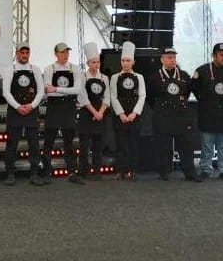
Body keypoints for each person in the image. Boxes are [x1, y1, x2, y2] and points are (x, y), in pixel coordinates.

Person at [147, 47, 201, 182]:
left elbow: (187, 93)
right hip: (163, 116)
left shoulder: (183, 75)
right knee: (162, 146)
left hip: (181, 115)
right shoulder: (155, 78)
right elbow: (150, 98)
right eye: (169, 57)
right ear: (162, 59)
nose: (172, 60)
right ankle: (163, 172)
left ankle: (189, 173)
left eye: (174, 57)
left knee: (186, 146)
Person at [191, 42, 223, 181]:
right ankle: (205, 169)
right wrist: (204, 99)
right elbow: (194, 88)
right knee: (207, 145)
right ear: (214, 55)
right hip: (208, 113)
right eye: (222, 55)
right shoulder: (202, 71)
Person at [2, 43, 45, 186]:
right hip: (15, 111)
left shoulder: (36, 69)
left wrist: (32, 106)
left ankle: (34, 173)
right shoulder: (10, 70)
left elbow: (40, 91)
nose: (24, 55)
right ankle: (10, 173)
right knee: (12, 144)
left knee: (34, 144)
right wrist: (17, 106)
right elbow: (6, 92)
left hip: (32, 111)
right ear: (17, 53)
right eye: (22, 52)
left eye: (27, 52)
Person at [42, 42, 84, 184]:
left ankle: (72, 172)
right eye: (62, 52)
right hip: (54, 107)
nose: (65, 55)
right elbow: (48, 92)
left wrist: (57, 89)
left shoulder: (75, 69)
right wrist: (64, 91)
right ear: (56, 54)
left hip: (69, 107)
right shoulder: (49, 69)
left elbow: (77, 90)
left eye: (67, 52)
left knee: (69, 142)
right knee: (48, 142)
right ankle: (47, 172)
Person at [109, 40, 146, 181]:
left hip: (134, 114)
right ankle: (120, 170)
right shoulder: (115, 77)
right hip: (120, 115)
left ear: (133, 62)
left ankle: (133, 170)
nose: (125, 63)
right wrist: (121, 113)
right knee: (120, 143)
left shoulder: (139, 77)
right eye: (123, 60)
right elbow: (113, 96)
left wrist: (134, 113)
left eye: (128, 61)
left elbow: (142, 96)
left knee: (134, 143)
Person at [77, 42, 110, 180]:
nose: (96, 65)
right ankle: (83, 171)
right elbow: (83, 97)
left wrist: (100, 112)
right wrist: (94, 112)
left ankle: (97, 171)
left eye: (98, 62)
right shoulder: (83, 77)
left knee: (98, 145)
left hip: (100, 115)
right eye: (93, 62)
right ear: (88, 63)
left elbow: (107, 98)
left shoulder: (104, 78)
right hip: (86, 114)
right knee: (84, 146)